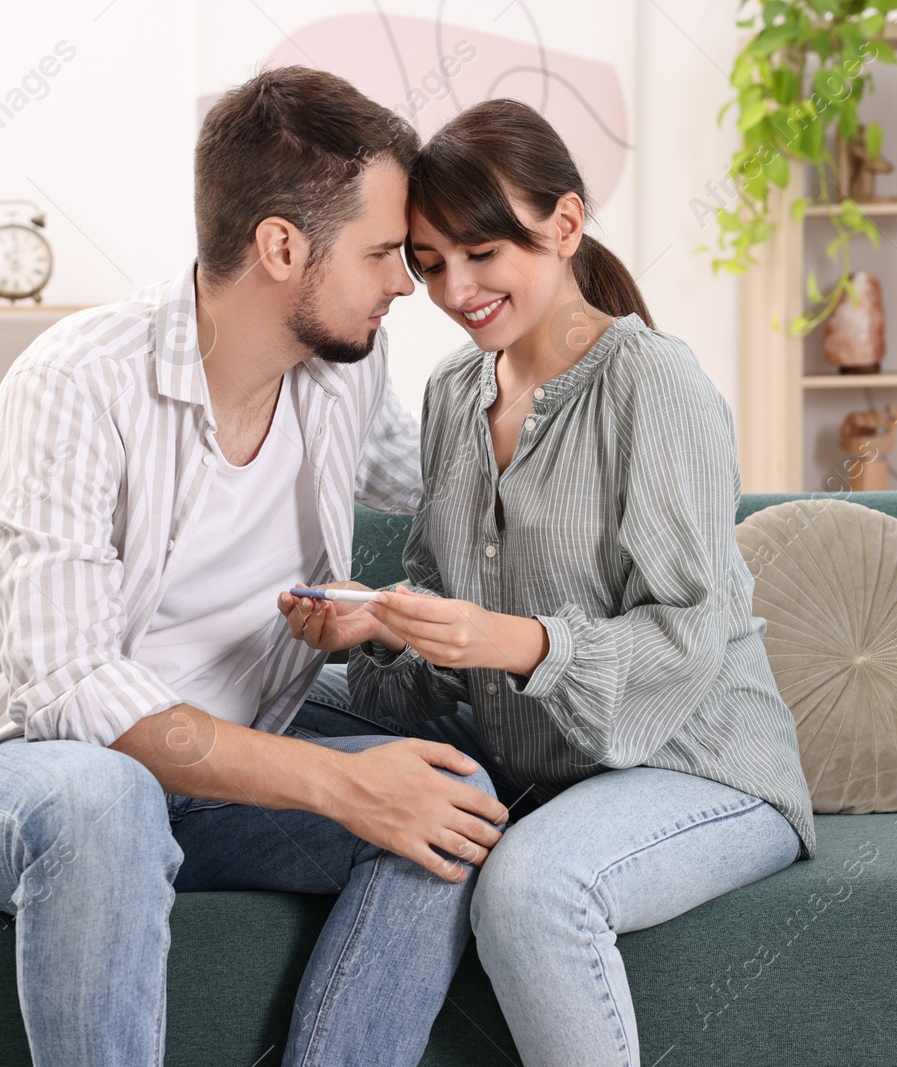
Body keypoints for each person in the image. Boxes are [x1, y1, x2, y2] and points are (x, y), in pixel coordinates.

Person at [0, 66, 510, 1067]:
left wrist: (572, 364)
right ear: (281, 246)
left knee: (451, 792)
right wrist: (339, 787)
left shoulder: (340, 365)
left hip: (231, 749)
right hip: (25, 771)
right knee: (106, 798)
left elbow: (447, 472)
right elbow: (72, 686)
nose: (404, 283)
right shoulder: (77, 382)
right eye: (384, 252)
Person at [278, 99, 818, 1067]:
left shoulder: (651, 383)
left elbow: (690, 633)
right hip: (528, 750)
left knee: (532, 887)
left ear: (563, 226)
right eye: (430, 262)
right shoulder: (453, 393)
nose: (456, 288)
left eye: (482, 253)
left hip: (694, 758)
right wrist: (384, 629)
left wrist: (507, 639)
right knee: (261, 697)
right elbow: (445, 622)